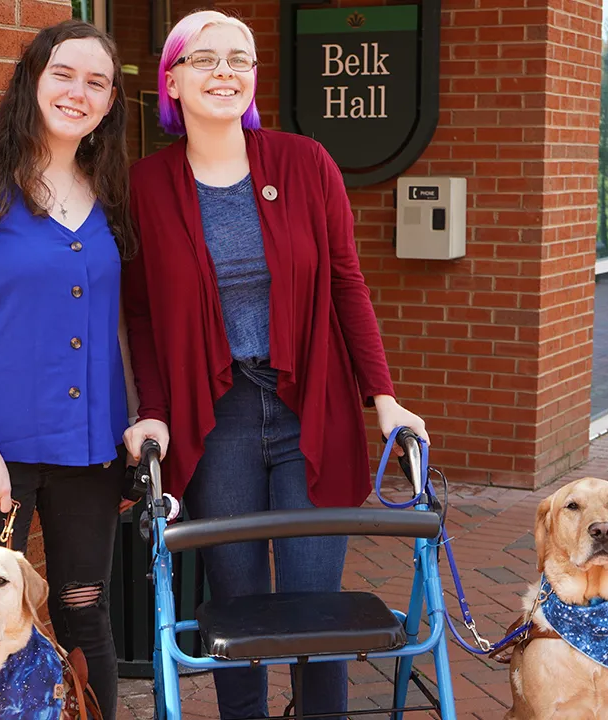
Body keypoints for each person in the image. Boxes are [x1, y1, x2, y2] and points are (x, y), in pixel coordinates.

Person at [120, 10, 429, 719]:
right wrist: (157, 411)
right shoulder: (146, 184)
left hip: (309, 404)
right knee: (238, 609)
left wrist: (382, 396)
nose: (225, 72)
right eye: (205, 60)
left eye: (240, 59)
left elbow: (347, 283)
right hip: (216, 414)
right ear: (172, 79)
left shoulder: (305, 162)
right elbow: (140, 313)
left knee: (316, 610)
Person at [0, 19, 133, 720]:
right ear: (33, 82)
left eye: (96, 82)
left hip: (88, 450)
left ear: (109, 103)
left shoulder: (108, 191)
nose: (79, 92)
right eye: (63, 74)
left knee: (84, 614)